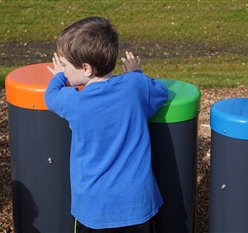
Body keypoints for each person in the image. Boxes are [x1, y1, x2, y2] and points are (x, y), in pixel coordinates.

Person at [45, 16, 168, 233]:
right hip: (137, 204)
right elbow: (160, 92)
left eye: (64, 65)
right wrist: (136, 73)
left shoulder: (73, 101)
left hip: (95, 209)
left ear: (86, 69)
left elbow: (50, 97)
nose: (63, 70)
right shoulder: (135, 86)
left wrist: (57, 78)